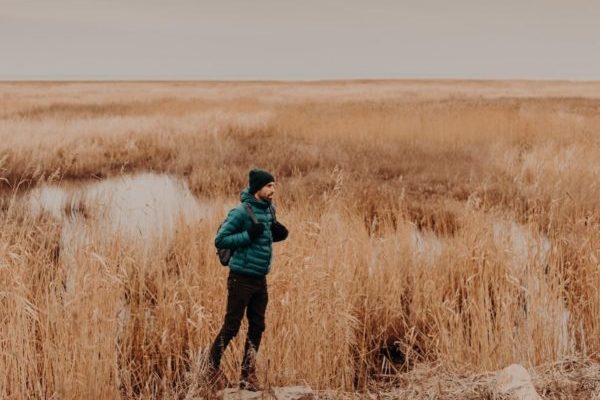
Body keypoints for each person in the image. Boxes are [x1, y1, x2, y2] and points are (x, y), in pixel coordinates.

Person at [208, 168, 288, 392]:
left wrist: (277, 234)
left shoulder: (270, 210)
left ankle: (246, 375)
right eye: (269, 186)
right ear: (257, 189)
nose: (273, 189)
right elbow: (220, 239)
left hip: (260, 278)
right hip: (240, 278)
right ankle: (210, 366)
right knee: (232, 326)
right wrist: (248, 235)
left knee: (258, 326)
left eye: (274, 185)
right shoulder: (241, 212)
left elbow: (264, 238)